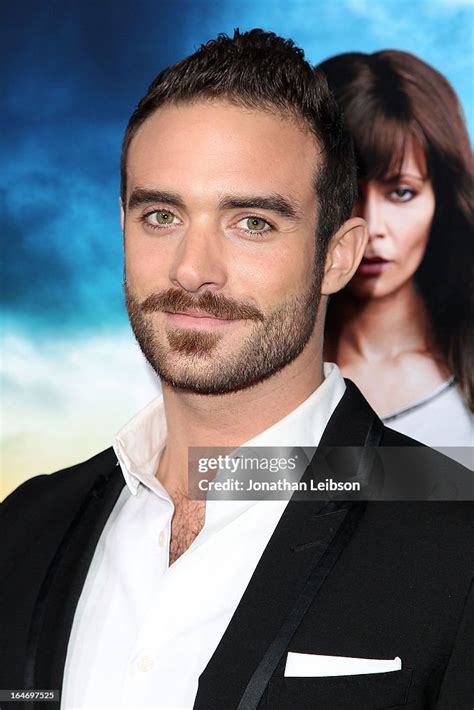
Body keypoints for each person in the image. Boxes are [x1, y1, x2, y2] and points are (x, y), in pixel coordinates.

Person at [0, 30, 472, 710]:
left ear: (338, 256)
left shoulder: (456, 538)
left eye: (251, 222)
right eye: (161, 215)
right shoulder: (23, 530)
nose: (193, 270)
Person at [317, 51, 473, 452]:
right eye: (348, 193)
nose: (372, 228)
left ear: (442, 198)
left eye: (401, 192)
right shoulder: (257, 364)